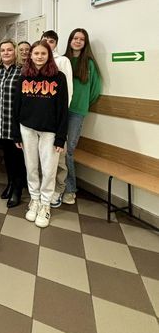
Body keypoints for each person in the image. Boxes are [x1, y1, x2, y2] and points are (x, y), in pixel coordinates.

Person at [12, 40, 68, 228]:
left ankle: (45, 204)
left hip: (50, 131)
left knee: (49, 170)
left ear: (49, 55)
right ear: (31, 55)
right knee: (31, 167)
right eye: (36, 53)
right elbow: (16, 106)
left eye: (43, 53)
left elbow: (63, 109)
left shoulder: (59, 77)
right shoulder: (23, 76)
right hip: (27, 129)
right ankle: (34, 199)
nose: (39, 56)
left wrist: (61, 137)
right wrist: (16, 134)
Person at [62, 28, 101, 205]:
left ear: (85, 43)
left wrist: (82, 104)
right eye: (75, 38)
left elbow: (95, 90)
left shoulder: (89, 63)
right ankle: (57, 185)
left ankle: (70, 189)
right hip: (60, 110)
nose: (77, 41)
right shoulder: (63, 60)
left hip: (77, 112)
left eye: (81, 39)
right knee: (56, 149)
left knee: (68, 151)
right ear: (70, 40)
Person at [0, 39, 27, 208]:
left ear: (15, 52)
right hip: (0, 123)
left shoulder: (23, 71)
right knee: (7, 157)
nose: (6, 53)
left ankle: (17, 189)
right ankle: (11, 184)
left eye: (9, 50)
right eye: (3, 50)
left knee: (18, 158)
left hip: (16, 123)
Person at [40, 30, 73, 208]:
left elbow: (68, 92)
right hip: (41, 119)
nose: (47, 43)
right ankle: (44, 189)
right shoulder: (39, 61)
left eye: (51, 41)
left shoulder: (62, 61)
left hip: (57, 119)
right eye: (44, 40)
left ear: (56, 44)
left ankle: (58, 189)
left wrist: (60, 117)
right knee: (43, 158)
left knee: (58, 157)